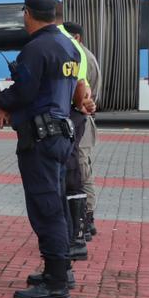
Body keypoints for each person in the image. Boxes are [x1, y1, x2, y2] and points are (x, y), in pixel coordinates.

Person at [0, 0, 81, 298]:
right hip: (61, 136)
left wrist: (3, 102)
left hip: (41, 139)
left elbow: (26, 90)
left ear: (28, 14)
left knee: (46, 209)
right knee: (57, 204)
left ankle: (56, 284)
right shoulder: (68, 46)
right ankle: (58, 271)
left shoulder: (36, 48)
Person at [66, 23, 101, 238]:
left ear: (76, 37)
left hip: (83, 121)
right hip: (82, 120)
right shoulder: (82, 54)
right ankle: (85, 220)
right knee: (80, 169)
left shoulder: (82, 57)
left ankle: (86, 219)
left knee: (81, 171)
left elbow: (86, 93)